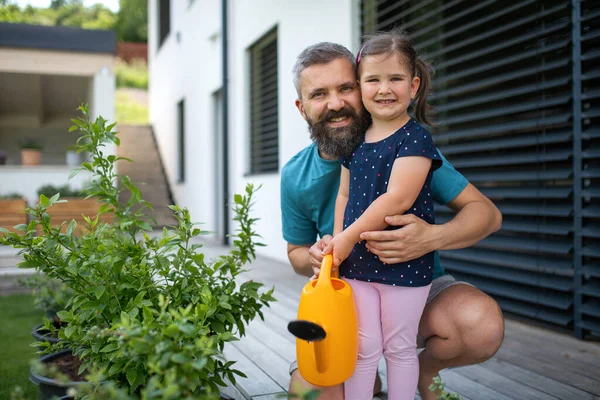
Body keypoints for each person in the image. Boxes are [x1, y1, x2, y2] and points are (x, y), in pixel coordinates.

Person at [281, 41, 504, 400]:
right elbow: (294, 251)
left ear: (361, 87)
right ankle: (367, 380)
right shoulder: (295, 174)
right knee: (312, 394)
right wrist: (313, 255)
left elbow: (488, 215)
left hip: (415, 286)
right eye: (319, 94)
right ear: (302, 107)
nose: (336, 103)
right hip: (347, 294)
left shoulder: (405, 145)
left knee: (479, 324)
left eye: (345, 88)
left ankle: (425, 372)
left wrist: (432, 237)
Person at [319, 29, 441, 400]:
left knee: (400, 347)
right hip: (356, 265)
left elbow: (397, 198)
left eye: (395, 79)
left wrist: (347, 237)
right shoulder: (355, 139)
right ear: (360, 85)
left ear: (414, 85)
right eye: (373, 79)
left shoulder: (415, 139)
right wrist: (339, 244)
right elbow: (343, 194)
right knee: (363, 347)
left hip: (404, 264)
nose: (384, 88)